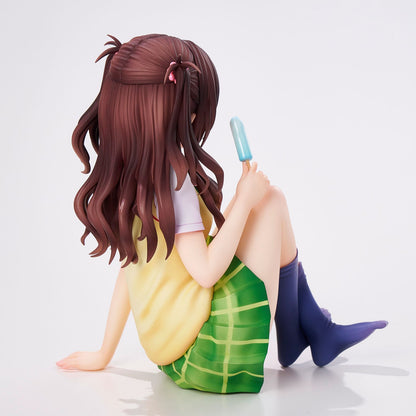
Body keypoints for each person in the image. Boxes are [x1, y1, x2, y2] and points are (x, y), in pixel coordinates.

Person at [56, 34, 387, 393]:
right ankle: (306, 332)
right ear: (181, 113)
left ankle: (309, 331)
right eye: (194, 109)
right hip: (209, 354)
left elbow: (132, 269)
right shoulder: (174, 181)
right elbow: (207, 273)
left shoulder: (130, 176)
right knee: (270, 200)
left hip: (170, 358)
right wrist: (243, 200)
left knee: (263, 202)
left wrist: (103, 353)